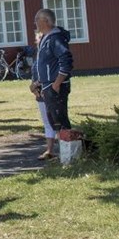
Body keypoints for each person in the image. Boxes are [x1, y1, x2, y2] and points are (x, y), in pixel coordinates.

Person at [32, 8, 74, 140]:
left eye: (37, 20)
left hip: (55, 86)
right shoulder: (45, 38)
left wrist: (56, 84)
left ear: (45, 21)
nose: (35, 23)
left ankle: (70, 154)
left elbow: (66, 61)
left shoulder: (55, 38)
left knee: (60, 121)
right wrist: (38, 82)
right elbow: (45, 64)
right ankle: (64, 153)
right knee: (54, 122)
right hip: (47, 84)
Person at [30, 31, 56, 160]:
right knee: (47, 122)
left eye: (42, 37)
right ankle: (49, 150)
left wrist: (40, 84)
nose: (40, 40)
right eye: (38, 38)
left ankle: (66, 149)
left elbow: (53, 73)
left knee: (56, 121)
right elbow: (34, 75)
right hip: (40, 94)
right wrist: (33, 88)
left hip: (51, 92)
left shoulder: (52, 53)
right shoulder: (37, 55)